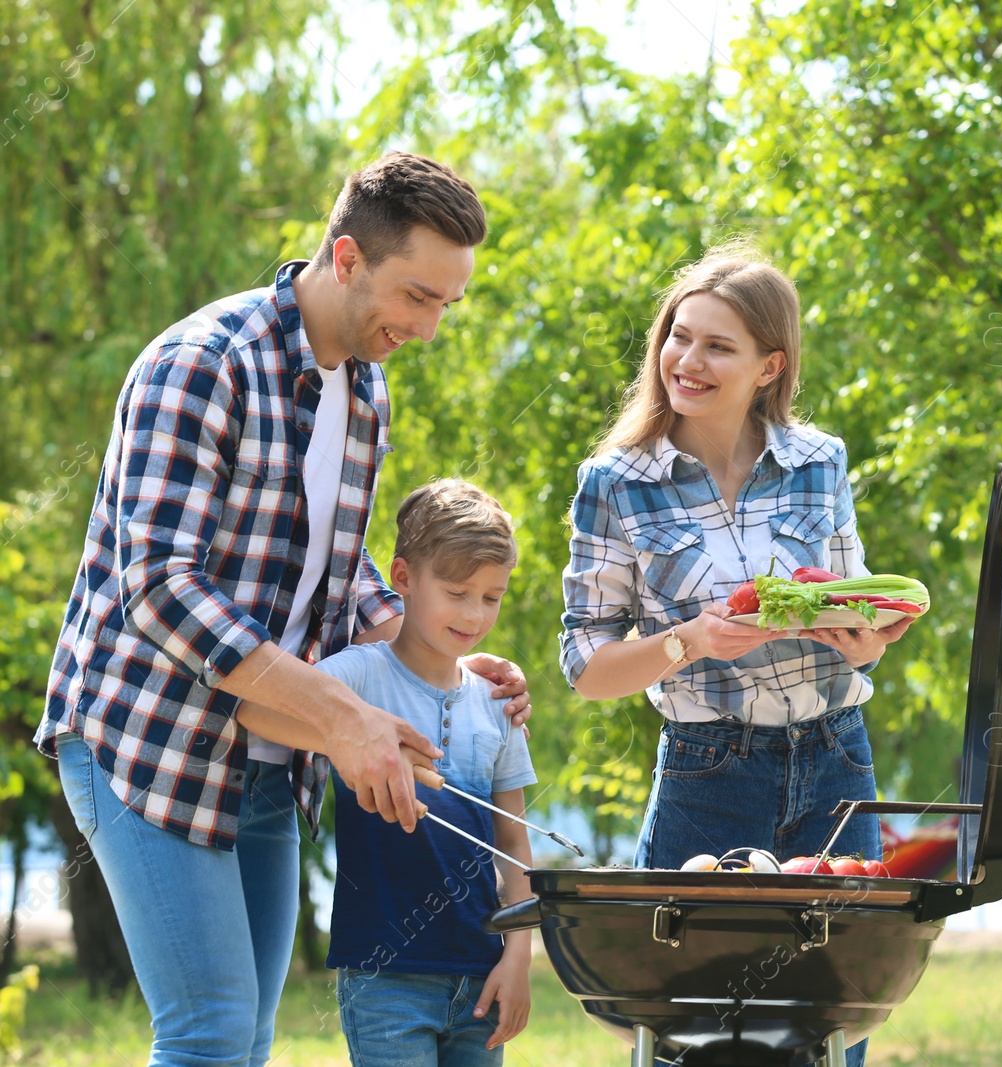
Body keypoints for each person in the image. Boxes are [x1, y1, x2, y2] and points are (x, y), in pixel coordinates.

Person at [36, 152, 530, 1067]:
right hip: (145, 736)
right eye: (417, 297)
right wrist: (345, 716)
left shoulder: (363, 388)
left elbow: (336, 579)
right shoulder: (202, 364)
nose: (426, 329)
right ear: (346, 258)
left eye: (446, 306)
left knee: (247, 1037)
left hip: (268, 749)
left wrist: (434, 646)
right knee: (209, 1031)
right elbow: (159, 583)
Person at [560, 241, 910, 1067]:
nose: (688, 359)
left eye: (718, 345)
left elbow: (859, 630)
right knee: (693, 1036)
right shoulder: (616, 482)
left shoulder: (819, 462)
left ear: (768, 364)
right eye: (679, 336)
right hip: (707, 774)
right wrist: (690, 641)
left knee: (831, 1023)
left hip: (837, 763)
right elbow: (586, 664)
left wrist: (864, 643)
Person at [240, 479, 539, 1066]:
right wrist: (340, 733)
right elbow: (254, 709)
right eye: (457, 592)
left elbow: (514, 843)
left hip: (482, 977)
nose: (475, 614)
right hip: (387, 979)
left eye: (492, 596)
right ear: (402, 578)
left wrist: (519, 955)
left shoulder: (499, 701)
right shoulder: (356, 678)